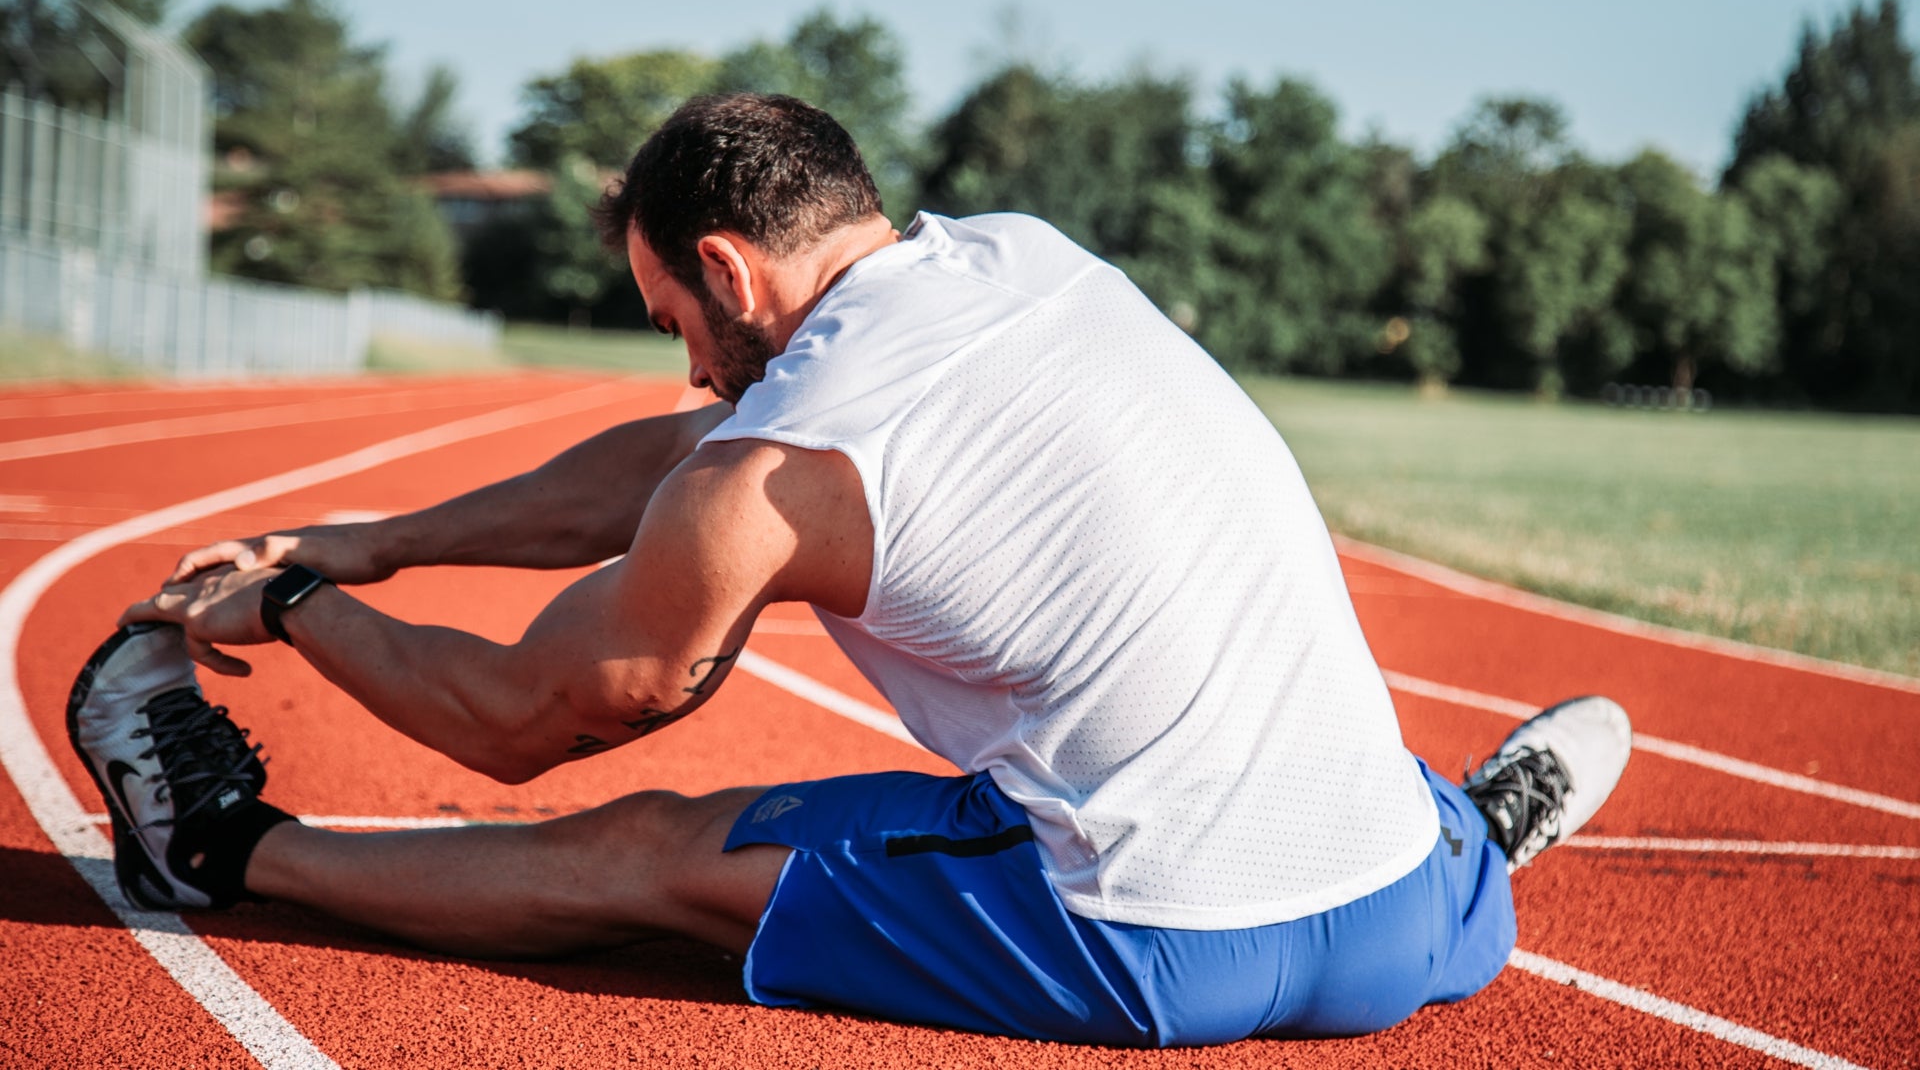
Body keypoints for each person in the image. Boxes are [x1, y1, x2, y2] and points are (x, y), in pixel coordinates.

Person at [68, 93, 1631, 1047]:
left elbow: (520, 717)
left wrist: (293, 602)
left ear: (732, 273)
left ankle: (219, 853)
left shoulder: (770, 470)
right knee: (1282, 711)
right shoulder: (1020, 257)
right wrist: (376, 541)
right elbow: (679, 463)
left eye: (673, 320)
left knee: (643, 854)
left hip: (1151, 937)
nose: (682, 366)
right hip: (1397, 926)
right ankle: (1474, 840)